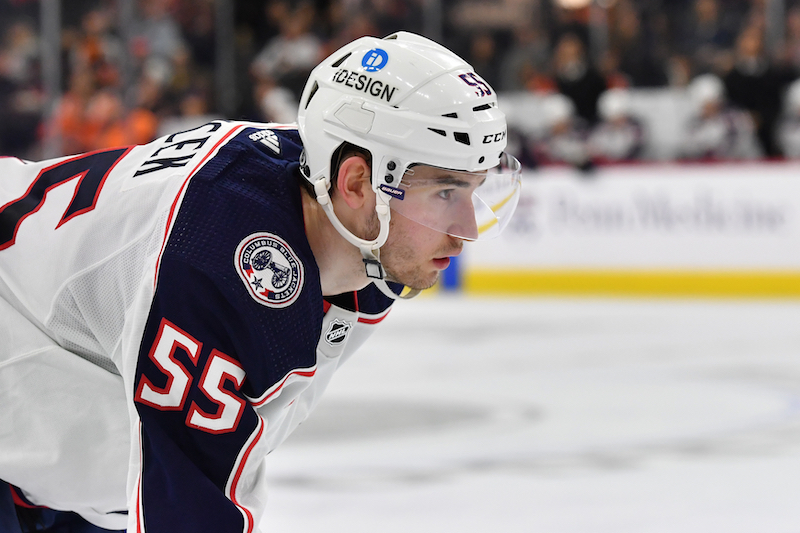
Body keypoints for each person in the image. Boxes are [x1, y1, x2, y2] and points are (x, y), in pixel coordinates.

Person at [0, 32, 521, 533]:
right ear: (358, 182)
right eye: (447, 192)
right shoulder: (222, 258)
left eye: (473, 190)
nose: (467, 232)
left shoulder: (356, 229)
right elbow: (193, 506)